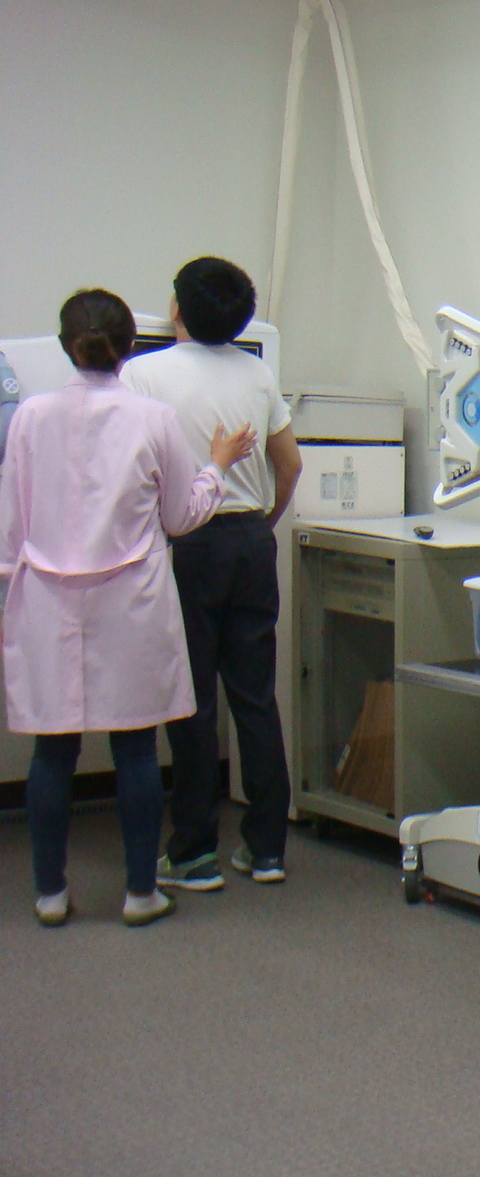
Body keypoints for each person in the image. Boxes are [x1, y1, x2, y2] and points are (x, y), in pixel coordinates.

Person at [0, 289, 253, 926]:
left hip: (47, 603)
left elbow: (11, 528)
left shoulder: (29, 417)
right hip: (130, 603)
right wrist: (218, 467)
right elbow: (182, 517)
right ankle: (141, 893)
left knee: (52, 752)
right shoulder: (153, 419)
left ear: (65, 346)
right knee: (136, 749)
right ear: (130, 347)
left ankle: (50, 894)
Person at [122, 256, 300, 890]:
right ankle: (267, 850)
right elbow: (290, 465)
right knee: (254, 697)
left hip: (189, 544)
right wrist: (262, 523)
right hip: (252, 540)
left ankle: (195, 851)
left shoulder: (143, 373)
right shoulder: (258, 373)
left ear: (176, 308)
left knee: (191, 698)